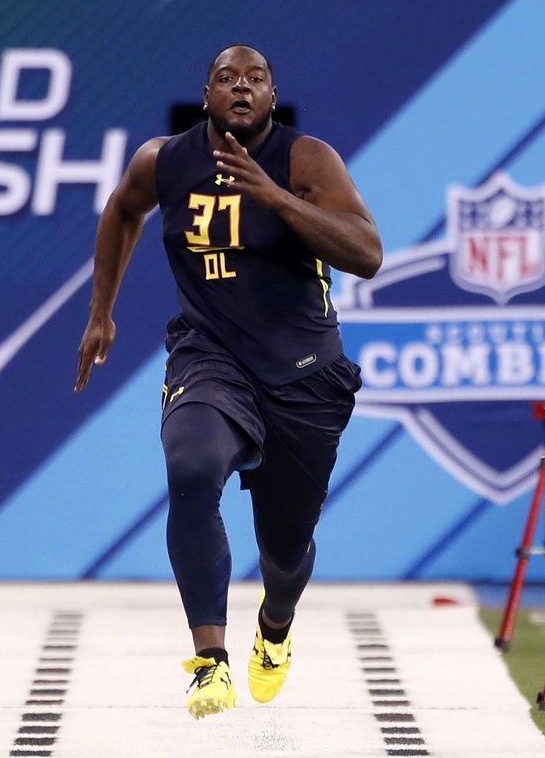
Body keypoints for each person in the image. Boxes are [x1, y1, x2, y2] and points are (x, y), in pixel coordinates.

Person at [74, 44, 382, 719]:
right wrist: (101, 312)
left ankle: (273, 629)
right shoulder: (164, 161)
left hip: (302, 374)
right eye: (226, 79)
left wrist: (275, 198)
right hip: (208, 357)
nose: (241, 88)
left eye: (256, 79)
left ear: (272, 96)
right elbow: (122, 211)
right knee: (190, 467)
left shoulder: (306, 159)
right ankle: (208, 664)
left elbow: (366, 254)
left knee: (285, 549)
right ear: (206, 95)